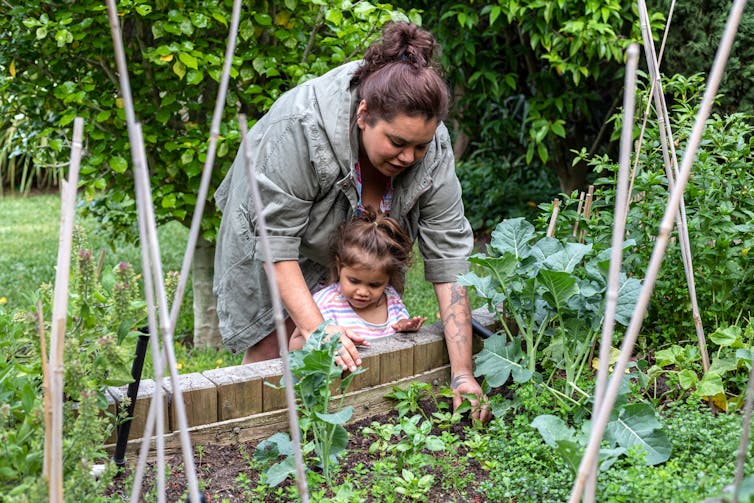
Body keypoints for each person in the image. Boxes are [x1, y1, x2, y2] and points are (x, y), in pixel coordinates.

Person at [213, 21, 490, 422]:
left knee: (361, 323)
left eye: (420, 146)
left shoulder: (434, 145)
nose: (410, 157)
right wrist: (316, 328)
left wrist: (463, 372)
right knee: (275, 340)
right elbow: (276, 245)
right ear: (364, 115)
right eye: (397, 143)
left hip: (361, 235)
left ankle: (331, 418)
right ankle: (247, 433)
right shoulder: (300, 127)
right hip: (275, 227)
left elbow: (450, 262)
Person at [289, 210, 427, 351]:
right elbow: (294, 346)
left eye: (374, 285)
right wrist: (327, 342)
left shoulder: (390, 298)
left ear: (388, 279)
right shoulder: (326, 303)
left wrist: (404, 326)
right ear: (339, 266)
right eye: (354, 281)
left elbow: (398, 324)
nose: (362, 292)